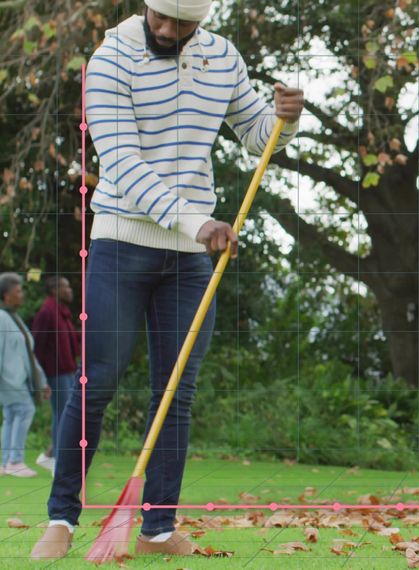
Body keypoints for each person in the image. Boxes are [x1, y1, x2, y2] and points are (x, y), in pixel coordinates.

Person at [32, 0, 303, 560]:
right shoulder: (109, 60)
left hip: (189, 256)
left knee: (175, 393)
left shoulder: (223, 57)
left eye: (183, 23)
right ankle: (60, 518)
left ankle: (158, 526)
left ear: (203, 19)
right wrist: (196, 222)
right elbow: (124, 165)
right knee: (98, 382)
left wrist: (286, 116)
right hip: (120, 242)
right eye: (160, 16)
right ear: (146, 6)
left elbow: (255, 135)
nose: (167, 30)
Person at [1, 272, 49, 478]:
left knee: (12, 416)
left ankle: (5, 462)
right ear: (6, 295)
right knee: (24, 409)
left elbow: (27, 353)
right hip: (10, 380)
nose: (22, 295)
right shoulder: (2, 318)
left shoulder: (13, 317)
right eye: (18, 291)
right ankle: (15, 461)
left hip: (16, 379)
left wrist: (42, 382)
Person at [30, 276, 80, 474]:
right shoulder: (47, 312)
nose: (69, 290)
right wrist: (40, 378)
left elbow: (70, 340)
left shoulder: (62, 313)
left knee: (63, 415)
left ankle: (50, 456)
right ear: (54, 291)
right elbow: (37, 345)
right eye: (65, 287)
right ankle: (59, 461)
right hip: (54, 373)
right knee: (63, 416)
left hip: (67, 370)